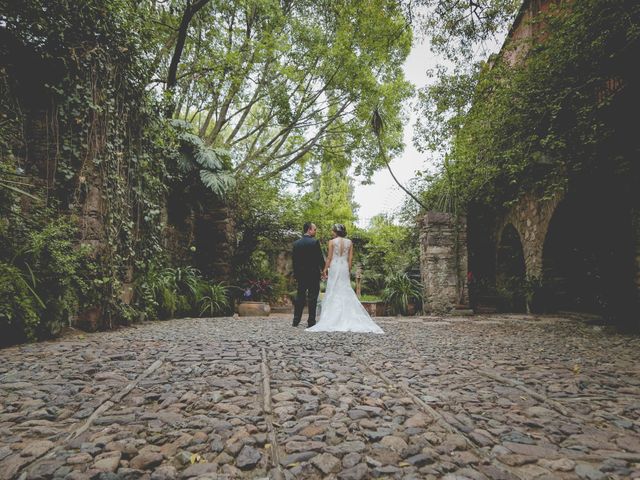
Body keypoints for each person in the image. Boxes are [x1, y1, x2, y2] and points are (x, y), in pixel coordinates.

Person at [307, 224, 384, 334]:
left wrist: (324, 269)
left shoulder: (332, 242)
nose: (331, 232)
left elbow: (329, 257)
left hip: (334, 266)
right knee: (345, 288)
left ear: (336, 232)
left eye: (332, 231)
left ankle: (332, 317)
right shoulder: (349, 242)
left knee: (333, 289)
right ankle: (347, 315)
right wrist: (348, 269)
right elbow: (350, 258)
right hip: (343, 267)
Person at [292, 222, 325, 327]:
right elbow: (320, 259)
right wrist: (324, 270)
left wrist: (296, 275)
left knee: (300, 297)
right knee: (313, 298)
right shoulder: (315, 242)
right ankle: (311, 321)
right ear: (309, 230)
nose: (315, 231)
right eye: (314, 229)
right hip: (313, 274)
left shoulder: (296, 243)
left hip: (301, 275)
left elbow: (294, 261)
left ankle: (296, 320)